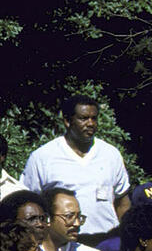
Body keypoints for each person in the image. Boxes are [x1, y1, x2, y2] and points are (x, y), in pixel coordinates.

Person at [20, 95, 131, 242]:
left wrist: (127, 237)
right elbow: (28, 203)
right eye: (83, 118)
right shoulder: (43, 157)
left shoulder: (111, 155)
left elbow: (122, 202)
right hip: (63, 243)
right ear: (67, 121)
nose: (90, 123)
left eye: (94, 118)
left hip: (108, 241)